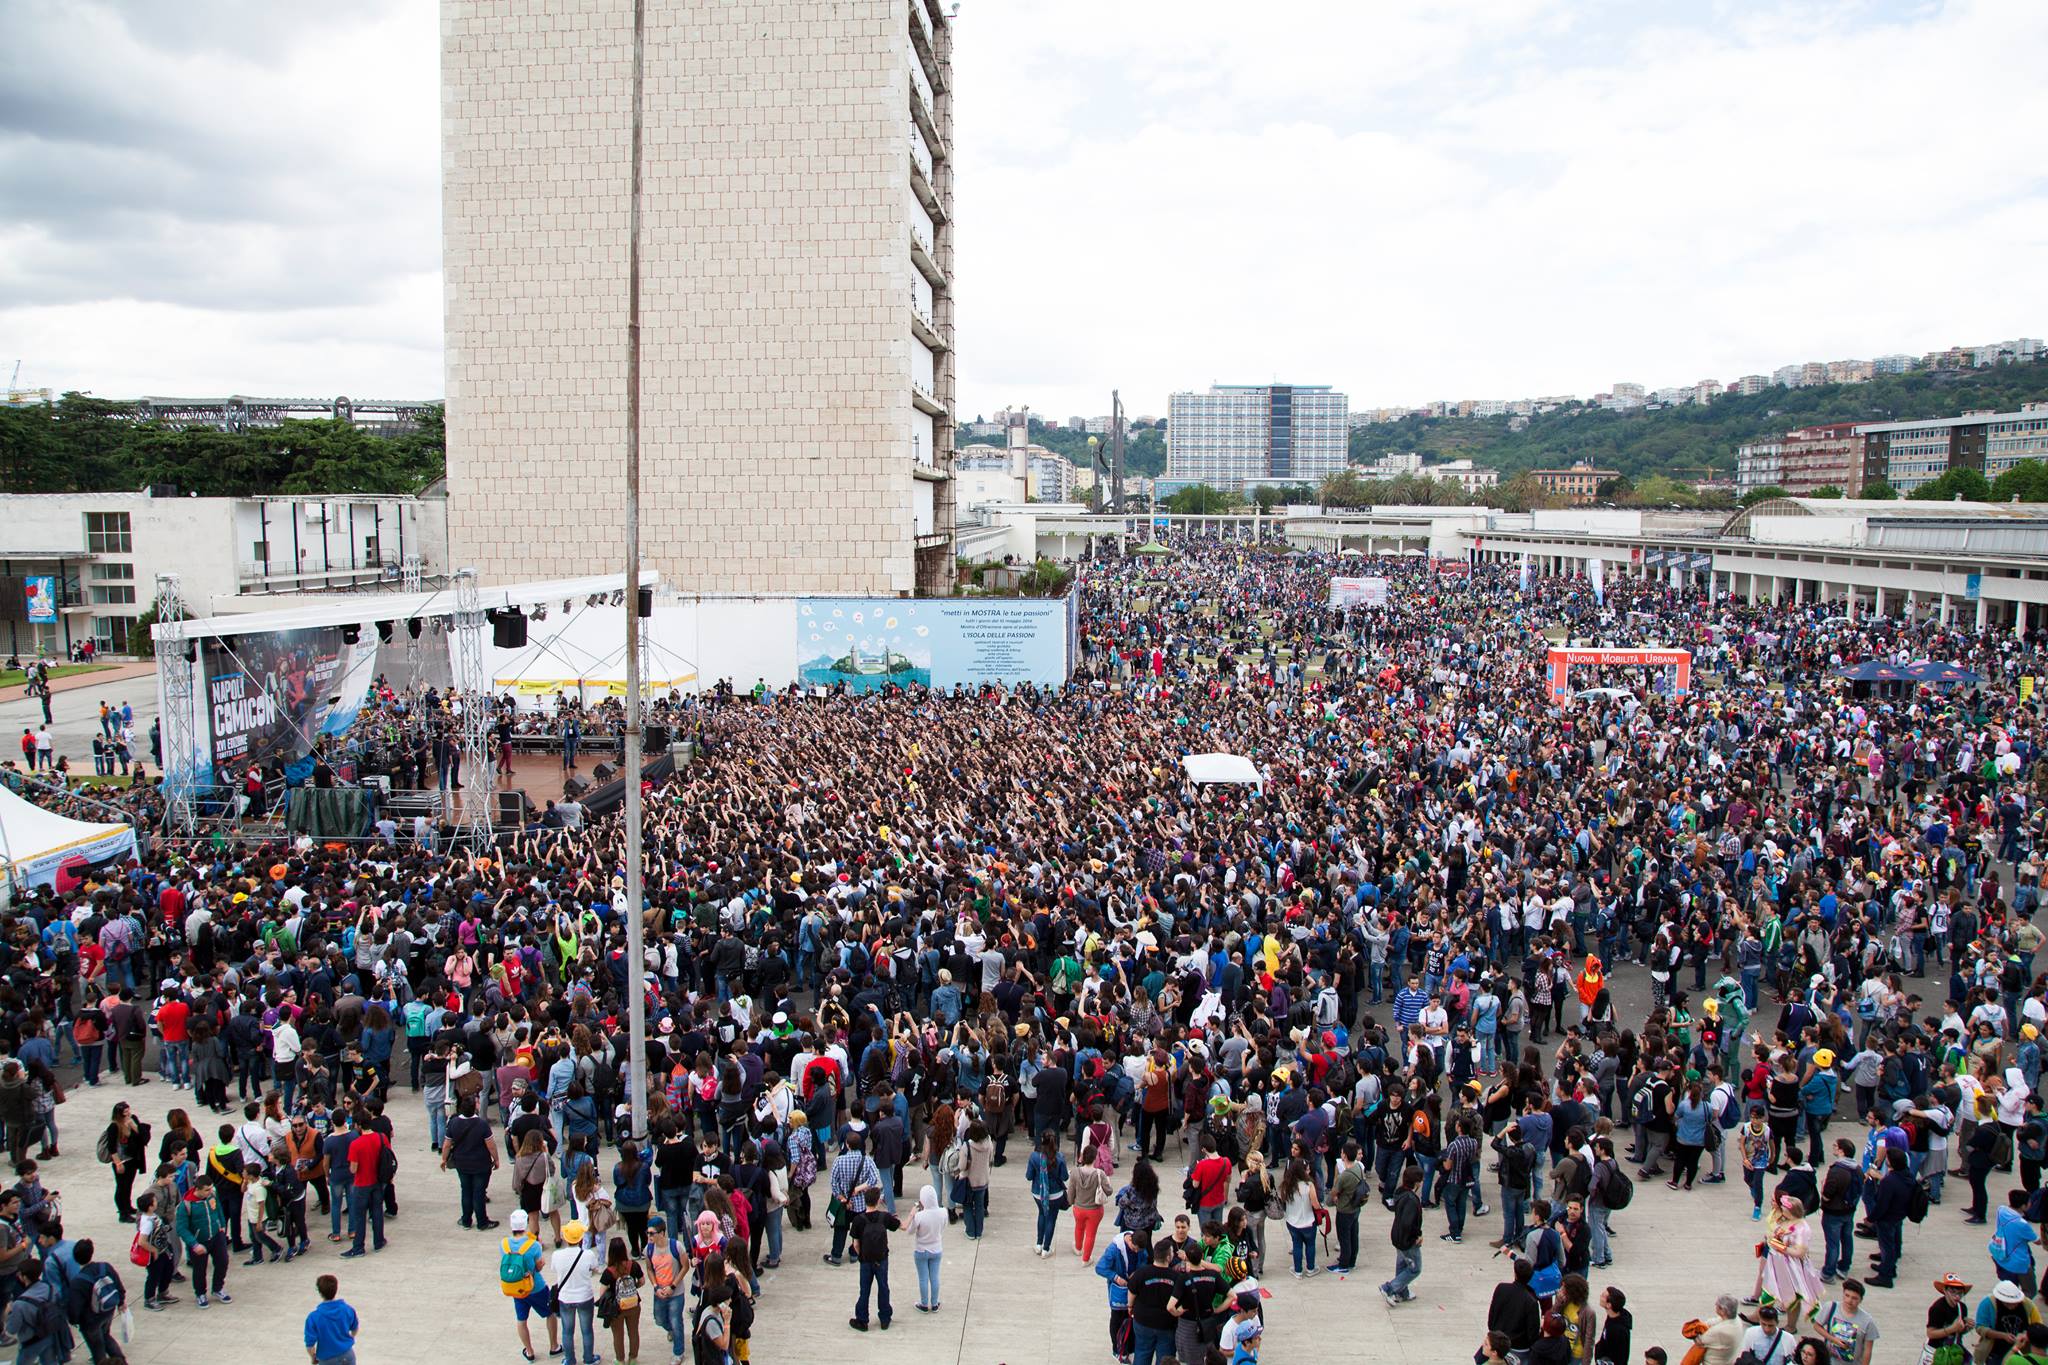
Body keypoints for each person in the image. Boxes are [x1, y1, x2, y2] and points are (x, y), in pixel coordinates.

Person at [500, 1209, 560, 1363]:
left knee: (521, 1319)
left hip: (516, 1288)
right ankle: (554, 1346)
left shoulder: (504, 1244)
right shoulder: (533, 1245)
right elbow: (538, 1267)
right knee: (550, 1313)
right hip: (535, 1287)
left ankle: (529, 1350)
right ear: (525, 1224)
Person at [173, 1169, 231, 1307]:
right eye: (206, 1190)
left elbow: (219, 1210)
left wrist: (222, 1226)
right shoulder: (185, 1206)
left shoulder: (212, 1196)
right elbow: (181, 1229)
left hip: (217, 1237)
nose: (210, 1192)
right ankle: (200, 1293)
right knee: (199, 1270)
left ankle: (218, 1288)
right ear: (197, 1189)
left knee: (223, 1262)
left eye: (211, 1189)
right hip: (199, 1242)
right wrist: (194, 1244)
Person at [63, 1239, 126, 1365]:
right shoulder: (105, 1267)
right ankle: (121, 1361)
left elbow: (75, 1307)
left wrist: (74, 1320)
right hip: (108, 1310)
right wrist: (120, 1302)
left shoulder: (78, 1281)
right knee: (106, 1336)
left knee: (96, 1346)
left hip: (90, 1320)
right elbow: (118, 1285)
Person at [846, 1196, 901, 1332]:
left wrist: (861, 1256)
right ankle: (885, 1318)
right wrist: (912, 1214)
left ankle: (862, 1320)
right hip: (881, 1259)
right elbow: (903, 1226)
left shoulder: (859, 1220)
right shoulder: (885, 1217)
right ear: (877, 1201)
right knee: (883, 1287)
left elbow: (856, 1244)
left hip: (866, 1260)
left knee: (864, 1290)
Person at [548, 1220, 599, 1365]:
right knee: (587, 1330)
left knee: (567, 1331)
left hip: (566, 1297)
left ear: (565, 1237)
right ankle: (589, 1358)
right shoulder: (588, 1254)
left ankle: (569, 1360)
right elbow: (595, 1269)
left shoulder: (557, 1255)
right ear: (581, 1238)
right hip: (585, 1296)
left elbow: (554, 1269)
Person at [5, 1255, 70, 1365]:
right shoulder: (51, 1289)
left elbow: (11, 1330)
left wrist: (8, 1313)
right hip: (50, 1335)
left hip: (30, 1343)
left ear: (24, 1277)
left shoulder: (20, 1304)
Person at [597, 1235, 643, 1365]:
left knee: (618, 1335)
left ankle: (620, 1359)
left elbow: (602, 1293)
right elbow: (642, 1281)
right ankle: (633, 1359)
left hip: (617, 1308)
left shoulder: (609, 1272)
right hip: (633, 1304)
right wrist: (633, 1288)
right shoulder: (633, 1265)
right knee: (633, 1332)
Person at [1382, 1164, 1424, 1307]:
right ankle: (1389, 1288)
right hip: (1407, 1240)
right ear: (1417, 1182)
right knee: (1415, 1268)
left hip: (1397, 1235)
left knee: (1402, 1263)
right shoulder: (1412, 1200)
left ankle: (1402, 1292)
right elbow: (1409, 1223)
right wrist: (1417, 1236)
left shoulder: (1400, 1193)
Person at [1810, 1279, 1879, 1365]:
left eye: (1854, 1298)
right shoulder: (1831, 1307)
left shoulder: (1867, 1321)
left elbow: (1867, 1350)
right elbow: (1817, 1326)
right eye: (1847, 1295)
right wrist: (1833, 1339)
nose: (1849, 1300)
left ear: (1861, 1300)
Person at [1978, 1281, 2044, 1365]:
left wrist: (2026, 1335)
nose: (2012, 1306)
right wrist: (2003, 1335)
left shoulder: (2028, 1305)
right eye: (2008, 1303)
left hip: (2023, 1353)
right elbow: (1980, 1328)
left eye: (2015, 1303)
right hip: (1995, 1352)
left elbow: (2038, 1326)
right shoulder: (1988, 1303)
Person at [1025, 1129, 1069, 1258]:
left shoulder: (1034, 1157)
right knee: (1051, 1218)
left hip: (1038, 1194)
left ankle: (1038, 1244)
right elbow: (1065, 1177)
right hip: (1055, 1194)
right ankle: (1046, 1248)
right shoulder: (1059, 1157)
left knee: (1042, 1214)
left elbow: (1028, 1176)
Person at [303, 1273, 360, 1365]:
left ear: (320, 1292)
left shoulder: (314, 1318)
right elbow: (355, 1328)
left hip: (327, 1359)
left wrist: (313, 1357)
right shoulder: (347, 1309)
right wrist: (350, 1339)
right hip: (347, 1354)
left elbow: (310, 1344)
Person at [910, 1184, 945, 1314]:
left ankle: (924, 1304)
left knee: (923, 1278)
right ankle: (934, 1303)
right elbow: (942, 1228)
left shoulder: (920, 1216)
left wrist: (914, 1214)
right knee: (935, 1277)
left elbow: (910, 1230)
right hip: (936, 1249)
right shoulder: (943, 1212)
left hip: (921, 1250)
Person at [1927, 1273, 1975, 1364]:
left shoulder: (1962, 1307)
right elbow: (1930, 1333)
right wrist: (1952, 1328)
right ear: (1945, 1290)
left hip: (1954, 1350)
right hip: (1938, 1352)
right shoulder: (1938, 1308)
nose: (1957, 1296)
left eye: (1960, 1293)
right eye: (1953, 1292)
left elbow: (1959, 1332)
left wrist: (1967, 1327)